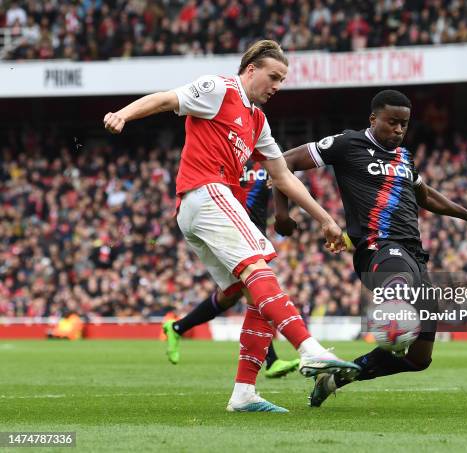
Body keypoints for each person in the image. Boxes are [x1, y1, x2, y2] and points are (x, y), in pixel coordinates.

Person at [103, 40, 360, 413]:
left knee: (253, 293)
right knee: (259, 268)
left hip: (199, 206)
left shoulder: (257, 121)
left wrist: (326, 220)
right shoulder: (219, 89)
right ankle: (310, 350)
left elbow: (283, 177)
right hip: (205, 192)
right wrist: (123, 114)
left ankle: (244, 393)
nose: (277, 86)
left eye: (283, 80)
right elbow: (165, 99)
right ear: (251, 69)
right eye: (273, 77)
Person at [273, 89, 467, 407]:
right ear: (373, 119)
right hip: (377, 247)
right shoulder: (348, 144)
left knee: (420, 359)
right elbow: (284, 162)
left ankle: (335, 378)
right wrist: (283, 214)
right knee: (399, 285)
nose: (399, 130)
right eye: (392, 122)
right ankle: (391, 312)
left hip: (414, 253)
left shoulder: (404, 157)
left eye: (404, 124)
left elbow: (426, 196)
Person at [162, 160, 301, 379]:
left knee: (231, 295)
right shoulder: (224, 158)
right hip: (230, 232)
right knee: (255, 291)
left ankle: (178, 327)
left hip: (255, 234)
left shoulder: (267, 160)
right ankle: (272, 361)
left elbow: (282, 185)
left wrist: (283, 216)